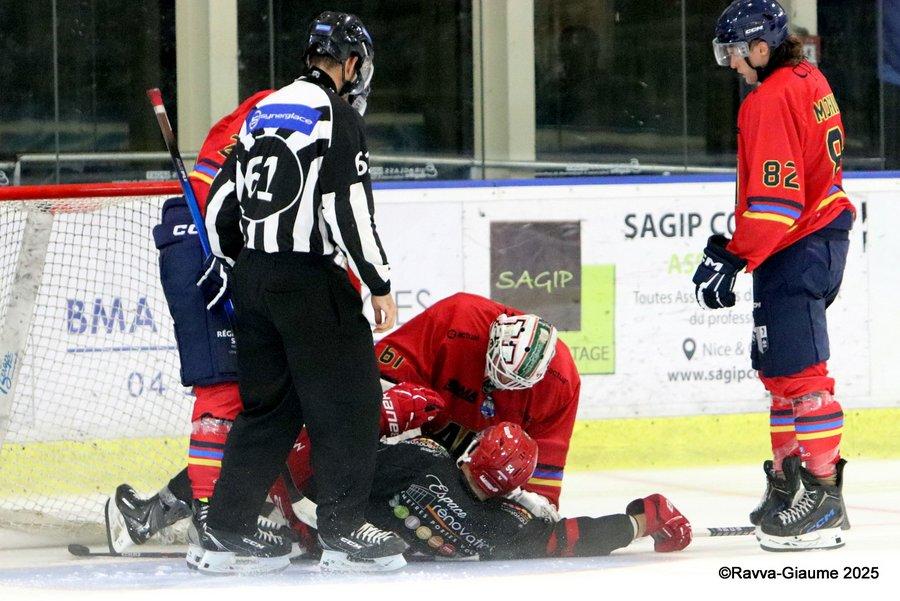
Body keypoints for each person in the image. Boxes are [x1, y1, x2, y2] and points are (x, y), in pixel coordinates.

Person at [197, 11, 406, 574]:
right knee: (351, 400)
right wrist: (379, 281)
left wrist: (238, 264)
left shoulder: (263, 109)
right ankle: (343, 528)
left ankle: (226, 527)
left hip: (254, 279)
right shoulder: (336, 115)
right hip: (308, 281)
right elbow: (347, 208)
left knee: (270, 408)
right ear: (351, 63)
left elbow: (219, 206)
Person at [693, 0, 854, 551]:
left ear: (761, 48)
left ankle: (823, 500)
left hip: (797, 245)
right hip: (815, 239)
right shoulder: (810, 76)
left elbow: (776, 202)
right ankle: (792, 486)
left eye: (735, 53)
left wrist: (733, 256)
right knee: (782, 374)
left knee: (804, 378)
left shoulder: (768, 99)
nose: (732, 65)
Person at [280, 421, 692, 561]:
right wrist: (642, 520)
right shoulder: (508, 525)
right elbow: (572, 538)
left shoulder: (425, 457)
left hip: (320, 530)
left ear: (475, 451)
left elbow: (343, 471)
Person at [375, 292, 579, 516]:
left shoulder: (562, 381)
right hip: (413, 452)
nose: (501, 383)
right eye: (498, 366)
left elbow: (543, 478)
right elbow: (379, 384)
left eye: (513, 382)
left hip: (476, 483)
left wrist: (530, 509)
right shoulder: (458, 316)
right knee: (395, 411)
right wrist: (397, 451)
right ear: (495, 334)